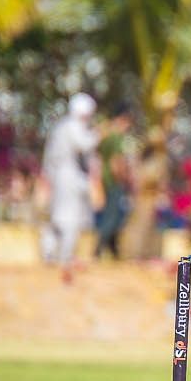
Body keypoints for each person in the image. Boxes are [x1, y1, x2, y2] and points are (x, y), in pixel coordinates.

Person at [39, 93, 101, 282]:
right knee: (69, 220)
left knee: (59, 218)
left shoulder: (61, 127)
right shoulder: (72, 126)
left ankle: (52, 253)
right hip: (68, 178)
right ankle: (64, 258)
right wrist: (100, 133)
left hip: (61, 177)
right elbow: (85, 144)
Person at [93, 105, 135, 260]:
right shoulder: (116, 136)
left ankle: (113, 251)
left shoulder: (106, 135)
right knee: (113, 216)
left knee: (113, 214)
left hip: (105, 177)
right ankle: (98, 250)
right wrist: (124, 178)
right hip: (113, 179)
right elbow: (116, 161)